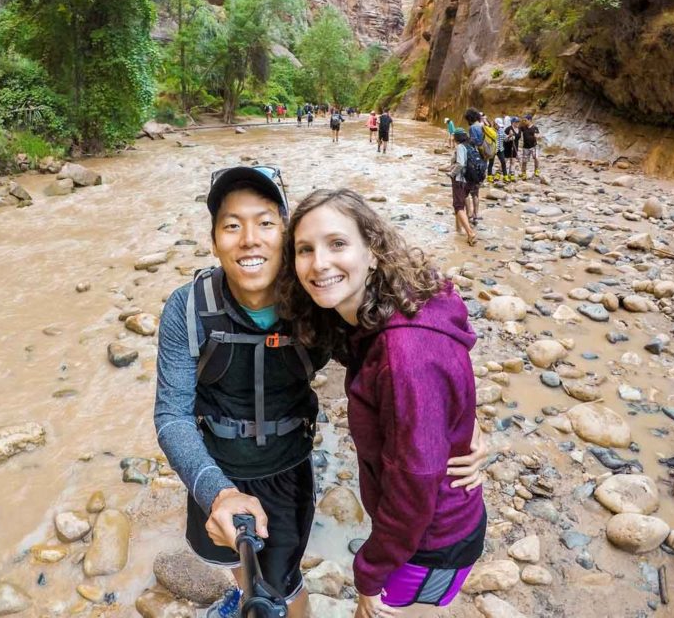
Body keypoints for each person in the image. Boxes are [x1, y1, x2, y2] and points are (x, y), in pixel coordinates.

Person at [153, 167, 487, 618]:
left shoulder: (318, 299)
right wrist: (217, 492)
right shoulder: (189, 307)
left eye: (266, 223)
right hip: (213, 466)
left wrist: (464, 422)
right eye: (232, 225)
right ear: (214, 241)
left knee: (283, 582)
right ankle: (246, 588)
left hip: (285, 472)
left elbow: (399, 354)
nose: (249, 238)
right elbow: (172, 414)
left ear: (285, 237)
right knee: (234, 557)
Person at [279, 189, 486, 618]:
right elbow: (447, 382)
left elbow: (414, 482)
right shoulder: (393, 306)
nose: (319, 263)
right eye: (305, 249)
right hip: (442, 525)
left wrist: (369, 572)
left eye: (337, 244)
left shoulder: (402, 351)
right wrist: (468, 426)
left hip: (430, 541)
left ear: (372, 251)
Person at [450, 128, 477, 246]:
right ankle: (458, 228)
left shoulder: (460, 147)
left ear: (456, 138)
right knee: (459, 203)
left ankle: (470, 233)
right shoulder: (470, 145)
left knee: (458, 206)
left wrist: (452, 173)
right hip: (470, 180)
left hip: (460, 180)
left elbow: (460, 163)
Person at [518, 114, 540, 179]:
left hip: (534, 146)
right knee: (524, 161)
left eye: (525, 120)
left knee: (536, 158)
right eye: (524, 120)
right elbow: (517, 130)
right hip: (525, 147)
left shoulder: (535, 128)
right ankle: (523, 173)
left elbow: (538, 135)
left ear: (529, 120)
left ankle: (536, 170)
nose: (524, 121)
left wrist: (537, 136)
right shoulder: (523, 127)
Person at [502, 117, 519, 183]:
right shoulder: (508, 129)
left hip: (515, 147)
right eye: (516, 122)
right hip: (507, 148)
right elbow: (504, 139)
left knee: (513, 162)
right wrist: (509, 136)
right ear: (512, 122)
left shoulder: (519, 129)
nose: (517, 123)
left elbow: (518, 138)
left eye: (518, 122)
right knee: (504, 161)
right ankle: (498, 173)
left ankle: (512, 175)